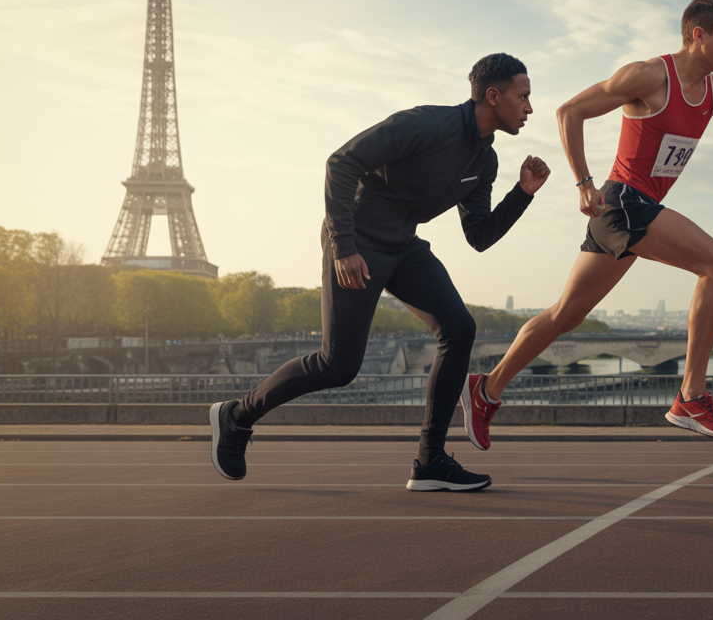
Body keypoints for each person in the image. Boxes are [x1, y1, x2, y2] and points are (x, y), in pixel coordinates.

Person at [209, 53, 550, 491]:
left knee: (460, 327)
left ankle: (430, 461)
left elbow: (479, 235)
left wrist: (521, 194)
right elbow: (341, 162)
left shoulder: (484, 162)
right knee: (337, 366)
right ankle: (236, 416)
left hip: (403, 246)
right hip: (358, 241)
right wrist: (344, 247)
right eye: (523, 96)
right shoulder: (426, 124)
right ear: (493, 95)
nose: (529, 108)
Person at [460, 0, 713, 450]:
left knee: (564, 315)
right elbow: (570, 112)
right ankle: (691, 397)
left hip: (623, 215)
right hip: (624, 201)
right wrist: (583, 182)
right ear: (698, 35)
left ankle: (486, 390)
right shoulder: (648, 75)